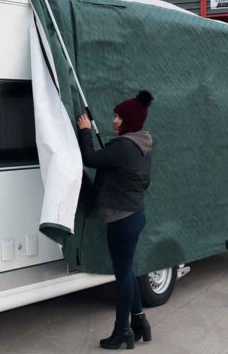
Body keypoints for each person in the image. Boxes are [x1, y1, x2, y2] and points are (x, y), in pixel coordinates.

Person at [76, 91, 154, 350]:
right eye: (115, 116)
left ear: (130, 120)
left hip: (122, 219)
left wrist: (85, 131)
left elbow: (90, 159)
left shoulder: (123, 147)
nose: (115, 121)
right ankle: (140, 322)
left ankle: (122, 332)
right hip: (134, 215)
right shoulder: (142, 144)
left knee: (122, 275)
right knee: (127, 270)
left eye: (120, 117)